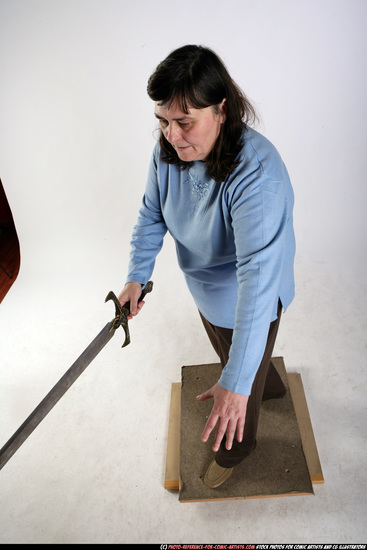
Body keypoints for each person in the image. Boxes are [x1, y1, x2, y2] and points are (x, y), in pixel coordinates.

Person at [118, 44, 296, 489]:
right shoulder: (169, 151)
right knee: (229, 351)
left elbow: (256, 284)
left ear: (220, 109)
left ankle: (237, 451)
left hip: (249, 300)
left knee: (238, 383)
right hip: (206, 288)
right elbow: (150, 214)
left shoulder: (257, 176)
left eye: (184, 122)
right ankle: (266, 383)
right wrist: (136, 277)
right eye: (162, 121)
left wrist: (233, 386)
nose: (172, 136)